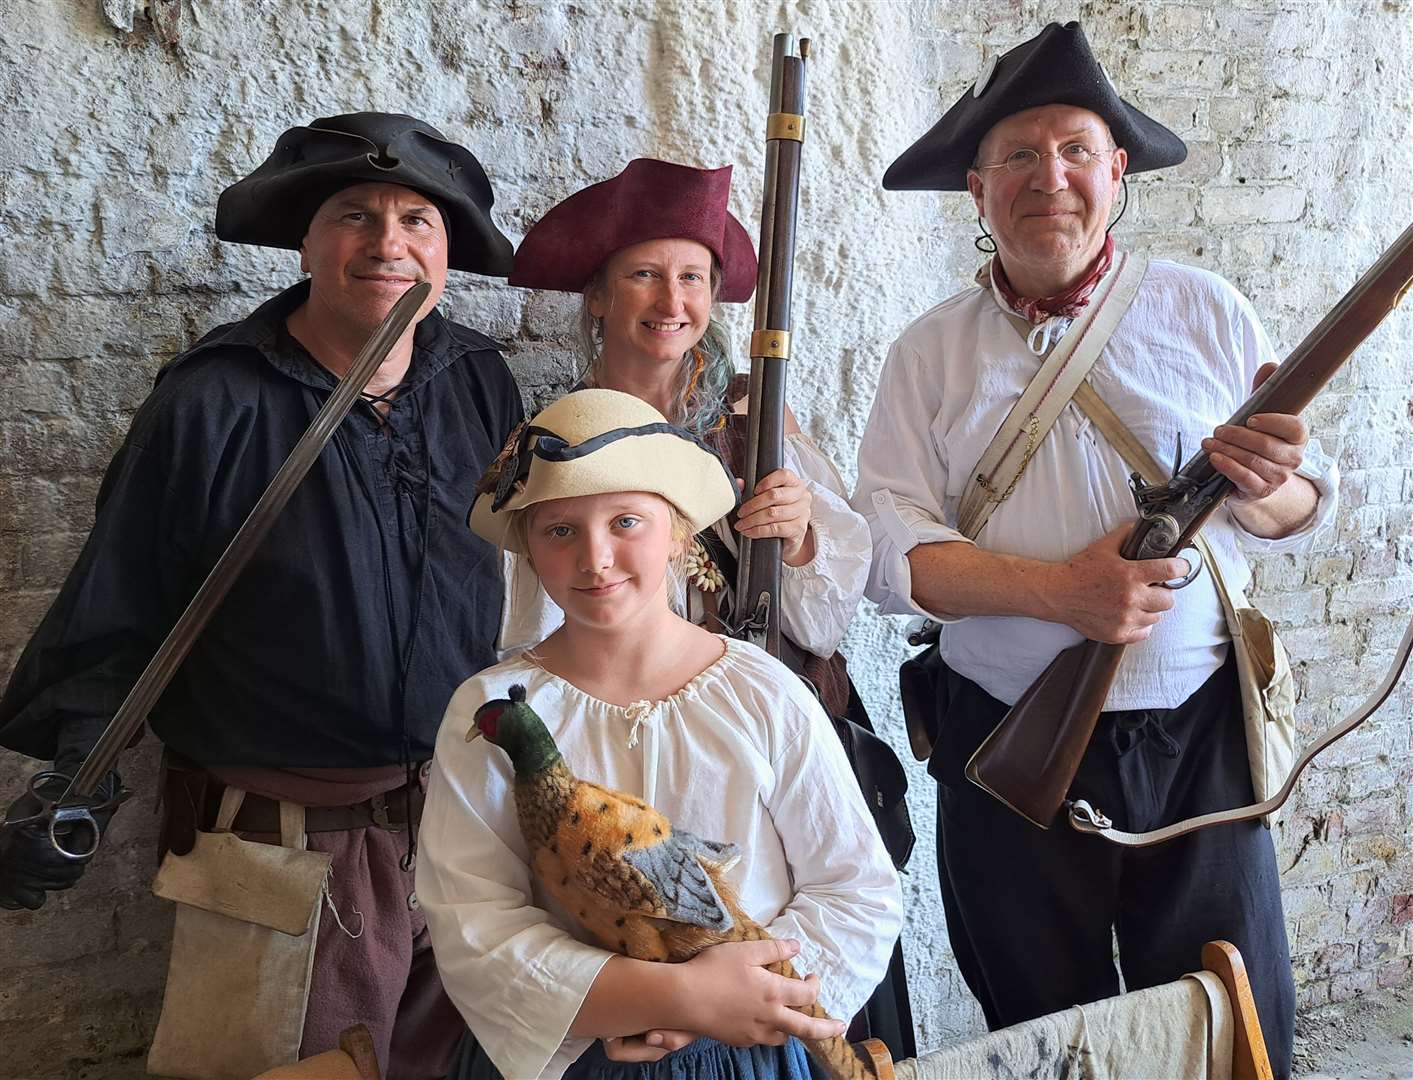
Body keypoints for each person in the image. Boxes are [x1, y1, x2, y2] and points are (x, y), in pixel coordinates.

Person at [853, 23, 1339, 1079]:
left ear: (1117, 173)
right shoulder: (927, 353)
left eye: (1075, 150)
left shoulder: (1205, 309)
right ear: (977, 191)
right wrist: (1062, 593)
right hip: (1003, 742)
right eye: (1018, 157)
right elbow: (889, 557)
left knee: (1228, 1022)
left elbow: (1296, 509)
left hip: (1200, 734)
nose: (1050, 178)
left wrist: (1271, 484)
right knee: (1042, 1031)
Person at [0, 112, 523, 1076]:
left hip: (460, 833)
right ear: (306, 239)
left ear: (447, 250)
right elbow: (121, 606)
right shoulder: (213, 401)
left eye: (418, 220)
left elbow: (519, 576)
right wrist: (78, 778)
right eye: (354, 215)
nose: (388, 244)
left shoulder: (477, 379)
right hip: (282, 848)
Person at [502, 157, 917, 1054]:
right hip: (620, 765)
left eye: (691, 276)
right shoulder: (556, 438)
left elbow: (825, 619)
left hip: (768, 752)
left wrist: (802, 536)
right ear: (599, 299)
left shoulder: (753, 416)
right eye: (645, 274)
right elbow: (533, 628)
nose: (670, 298)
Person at [417, 387, 903, 1080]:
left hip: (745, 1050)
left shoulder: (761, 694)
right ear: (525, 546)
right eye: (560, 530)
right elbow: (475, 922)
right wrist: (662, 995)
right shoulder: (493, 711)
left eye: (625, 522)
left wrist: (742, 997)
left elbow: (854, 889)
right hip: (583, 1051)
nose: (596, 558)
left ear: (678, 533)